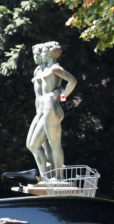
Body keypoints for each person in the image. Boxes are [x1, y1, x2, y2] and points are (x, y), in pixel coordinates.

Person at [25, 41, 78, 174]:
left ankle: (57, 178)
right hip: (41, 111)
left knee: (52, 145)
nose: (41, 54)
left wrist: (63, 97)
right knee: (33, 145)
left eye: (43, 51)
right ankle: (48, 176)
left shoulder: (55, 68)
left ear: (49, 53)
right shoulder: (41, 69)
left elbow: (73, 80)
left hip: (51, 109)